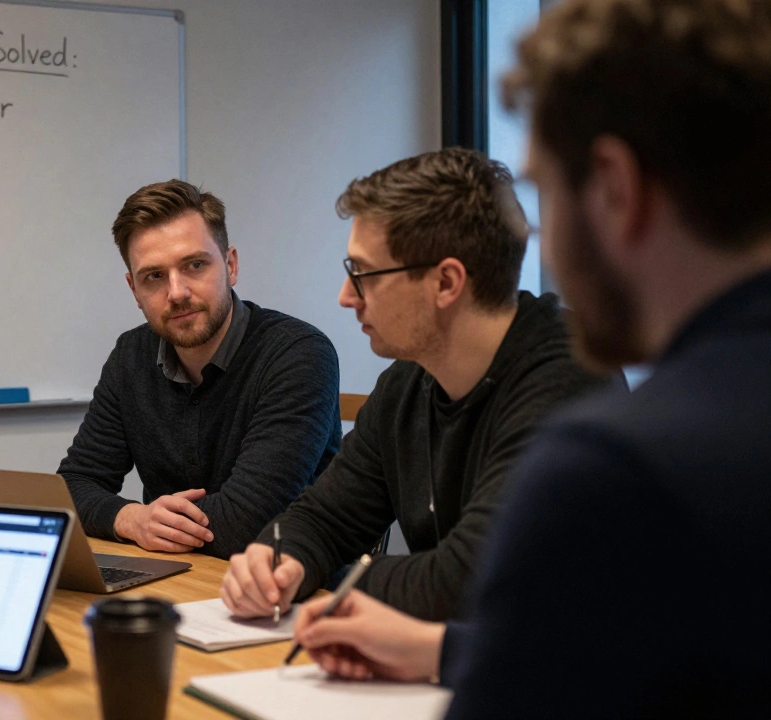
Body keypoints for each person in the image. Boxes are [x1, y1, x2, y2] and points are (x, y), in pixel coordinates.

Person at [287, 0, 771, 716]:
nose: (531, 242)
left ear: (615, 188)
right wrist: (440, 651)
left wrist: (346, 580)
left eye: (545, 191)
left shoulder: (612, 460)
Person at [222, 148, 619, 621]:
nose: (346, 297)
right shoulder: (408, 381)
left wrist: (336, 582)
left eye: (363, 274)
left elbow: (471, 579)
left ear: (446, 283)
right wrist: (277, 565)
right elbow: (323, 520)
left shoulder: (571, 378)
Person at [58, 179, 342, 559]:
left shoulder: (298, 354)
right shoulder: (131, 355)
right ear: (133, 290)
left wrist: (147, 524)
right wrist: (131, 519)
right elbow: (72, 487)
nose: (176, 293)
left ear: (230, 265)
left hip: (289, 591)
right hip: (177, 578)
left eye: (194, 265)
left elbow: (247, 524)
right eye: (154, 276)